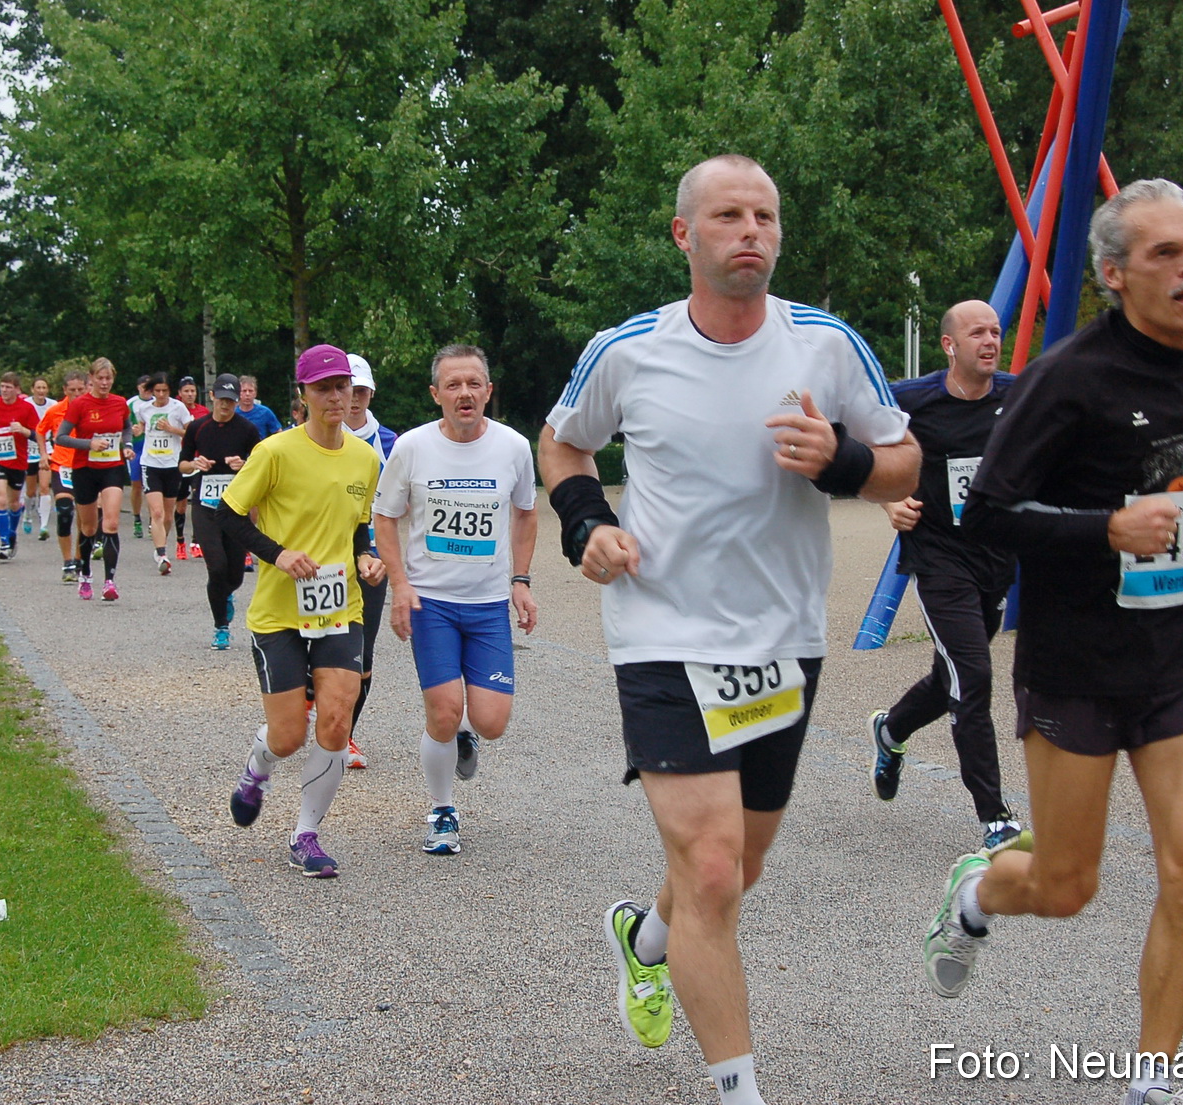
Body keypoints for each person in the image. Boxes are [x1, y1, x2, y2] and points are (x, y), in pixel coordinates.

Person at [538, 154, 918, 1105]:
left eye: (765, 215)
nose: (751, 230)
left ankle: (647, 937)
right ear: (684, 236)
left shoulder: (825, 345)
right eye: (728, 216)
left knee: (733, 868)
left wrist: (843, 460)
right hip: (662, 628)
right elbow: (564, 440)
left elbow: (906, 464)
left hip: (783, 638)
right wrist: (586, 525)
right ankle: (738, 1089)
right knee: (709, 867)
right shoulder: (629, 349)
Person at [923, 179, 1183, 1105]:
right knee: (1066, 885)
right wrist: (1105, 530)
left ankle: (1153, 1078)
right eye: (1167, 253)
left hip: (1180, 658)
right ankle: (976, 895)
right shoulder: (1066, 378)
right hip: (1076, 665)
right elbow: (988, 512)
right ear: (1116, 274)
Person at [219, 345, 384, 879]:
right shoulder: (274, 452)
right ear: (303, 395)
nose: (335, 397)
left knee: (335, 722)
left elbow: (359, 525)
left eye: (343, 387)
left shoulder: (365, 458)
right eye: (323, 388)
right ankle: (256, 769)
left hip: (340, 606)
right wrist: (278, 554)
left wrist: (366, 554)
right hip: (279, 612)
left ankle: (306, 835)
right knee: (289, 736)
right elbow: (228, 514)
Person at [870, 300, 1027, 852]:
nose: (990, 340)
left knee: (952, 677)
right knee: (975, 676)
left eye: (995, 331)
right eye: (977, 332)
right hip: (937, 558)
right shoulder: (912, 399)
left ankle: (890, 731)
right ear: (948, 345)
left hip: (993, 559)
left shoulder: (1017, 396)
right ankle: (996, 818)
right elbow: (862, 445)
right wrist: (887, 499)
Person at [374, 345, 536, 854]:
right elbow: (384, 517)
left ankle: (466, 733)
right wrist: (401, 584)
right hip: (432, 604)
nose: (464, 393)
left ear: (488, 391)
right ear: (436, 394)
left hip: (487, 605)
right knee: (443, 711)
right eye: (453, 385)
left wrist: (522, 580)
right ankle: (442, 810)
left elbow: (527, 512)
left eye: (474, 384)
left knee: (491, 722)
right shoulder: (412, 447)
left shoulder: (513, 447)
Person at [341, 352, 397, 770]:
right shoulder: (309, 438)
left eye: (361, 390)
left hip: (372, 561)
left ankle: (346, 735)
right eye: (348, 389)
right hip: (322, 562)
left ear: (371, 392)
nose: (354, 399)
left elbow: (408, 507)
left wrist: (391, 559)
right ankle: (316, 704)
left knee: (362, 652)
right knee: (318, 649)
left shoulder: (395, 444)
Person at [179, 373, 261, 649]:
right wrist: (195, 464)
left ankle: (225, 595)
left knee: (235, 573)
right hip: (205, 504)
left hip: (235, 506)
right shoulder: (197, 428)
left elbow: (261, 464)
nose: (226, 406)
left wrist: (245, 463)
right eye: (222, 400)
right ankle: (221, 627)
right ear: (212, 397)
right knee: (217, 566)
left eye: (232, 401)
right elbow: (181, 465)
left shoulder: (247, 429)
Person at [58, 357, 136, 601]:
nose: (104, 383)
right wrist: (88, 443)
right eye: (100, 378)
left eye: (108, 378)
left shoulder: (120, 402)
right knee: (89, 527)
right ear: (91, 379)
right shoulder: (80, 404)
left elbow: (126, 427)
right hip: (85, 468)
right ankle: (85, 575)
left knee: (110, 524)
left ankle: (110, 582)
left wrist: (128, 444)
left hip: (112, 467)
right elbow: (61, 437)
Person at [0, 372, 40, 561]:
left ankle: (12, 533)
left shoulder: (26, 408)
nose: (4, 390)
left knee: (14, 503)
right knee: (2, 499)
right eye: (3, 386)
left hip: (18, 460)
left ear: (17, 389)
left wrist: (23, 430)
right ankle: (4, 542)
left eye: (9, 387)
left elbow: (38, 434)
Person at [137, 372, 193, 575]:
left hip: (172, 464)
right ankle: (161, 554)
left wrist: (171, 429)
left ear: (170, 391)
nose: (161, 394)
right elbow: (141, 428)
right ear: (152, 391)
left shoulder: (178, 409)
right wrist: (136, 430)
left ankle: (161, 545)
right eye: (157, 391)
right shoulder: (144, 409)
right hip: (150, 463)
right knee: (157, 512)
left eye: (164, 391)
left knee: (168, 514)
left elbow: (191, 432)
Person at [38, 371, 89, 582]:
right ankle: (67, 561)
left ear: (87, 388)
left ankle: (78, 558)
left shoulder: (92, 409)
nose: (77, 394)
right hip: (61, 466)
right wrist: (43, 454)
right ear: (64, 390)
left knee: (85, 519)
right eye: (72, 390)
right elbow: (40, 431)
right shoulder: (56, 411)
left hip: (86, 466)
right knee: (65, 513)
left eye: (80, 389)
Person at [174, 376, 209, 560]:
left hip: (198, 461)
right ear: (179, 394)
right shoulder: (174, 409)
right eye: (186, 391)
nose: (189, 394)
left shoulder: (203, 411)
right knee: (180, 505)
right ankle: (180, 541)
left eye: (192, 391)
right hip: (179, 461)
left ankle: (196, 542)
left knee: (197, 500)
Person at [23, 377, 56, 539]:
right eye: (38, 388)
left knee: (44, 486)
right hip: (29, 450)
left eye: (44, 387)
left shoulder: (53, 405)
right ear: (32, 389)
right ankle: (28, 514)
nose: (41, 391)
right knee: (30, 490)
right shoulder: (26, 404)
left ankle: (44, 525)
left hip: (47, 448)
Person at [127, 374, 152, 539]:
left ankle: (152, 520)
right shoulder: (130, 404)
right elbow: (123, 426)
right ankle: (136, 518)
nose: (147, 390)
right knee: (136, 484)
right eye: (144, 387)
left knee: (151, 485)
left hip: (152, 448)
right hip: (137, 447)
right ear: (138, 388)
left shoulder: (158, 402)